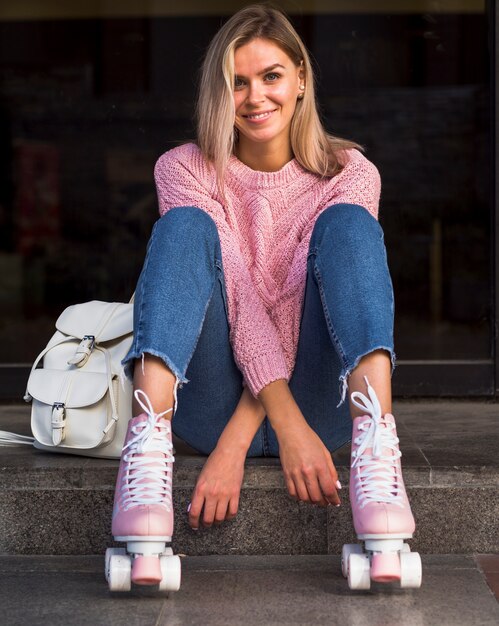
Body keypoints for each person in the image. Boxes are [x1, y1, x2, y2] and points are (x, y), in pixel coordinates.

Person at [105, 4, 421, 592]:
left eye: (271, 75)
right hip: (210, 403)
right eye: (237, 82)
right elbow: (246, 303)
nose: (255, 97)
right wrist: (235, 439)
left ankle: (377, 446)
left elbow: (287, 308)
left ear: (301, 79)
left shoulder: (350, 173)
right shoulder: (185, 169)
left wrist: (291, 429)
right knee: (183, 230)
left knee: (350, 226)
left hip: (324, 407)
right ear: (219, 93)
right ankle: (147, 452)